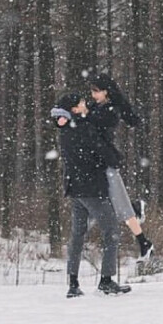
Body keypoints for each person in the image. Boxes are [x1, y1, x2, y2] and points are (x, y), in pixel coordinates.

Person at [51, 91, 132, 298]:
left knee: (77, 235)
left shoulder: (66, 130)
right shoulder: (85, 128)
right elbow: (105, 153)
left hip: (75, 190)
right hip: (92, 189)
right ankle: (106, 280)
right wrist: (115, 159)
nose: (85, 104)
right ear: (74, 109)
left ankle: (73, 282)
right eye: (81, 103)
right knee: (111, 231)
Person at [87, 72, 154, 260]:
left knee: (121, 205)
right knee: (112, 204)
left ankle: (143, 240)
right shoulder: (95, 107)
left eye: (96, 91)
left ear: (106, 92)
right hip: (96, 163)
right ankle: (141, 236)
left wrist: (85, 115)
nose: (93, 95)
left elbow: (98, 122)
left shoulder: (110, 110)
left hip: (106, 161)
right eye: (92, 91)